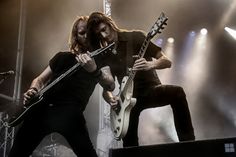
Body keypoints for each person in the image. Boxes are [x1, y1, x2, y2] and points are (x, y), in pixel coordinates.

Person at [8, 16, 115, 157]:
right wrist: (32, 90)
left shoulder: (100, 58)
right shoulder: (62, 57)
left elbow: (110, 84)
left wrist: (95, 70)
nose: (86, 35)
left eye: (89, 31)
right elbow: (39, 79)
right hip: (42, 109)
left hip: (71, 113)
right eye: (82, 33)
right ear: (76, 37)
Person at [87, 12, 195, 147]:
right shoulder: (106, 54)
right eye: (99, 34)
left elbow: (167, 61)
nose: (104, 36)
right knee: (129, 144)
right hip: (127, 100)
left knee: (177, 92)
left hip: (150, 90)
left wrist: (151, 64)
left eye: (104, 30)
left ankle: (189, 145)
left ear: (110, 23)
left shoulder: (136, 37)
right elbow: (107, 89)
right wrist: (111, 99)